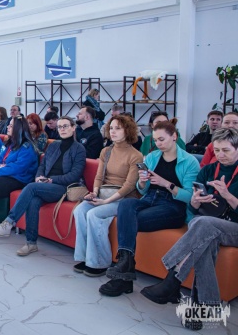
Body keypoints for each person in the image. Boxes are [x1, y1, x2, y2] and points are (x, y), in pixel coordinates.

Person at [141, 128, 238, 331]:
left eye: (226, 150)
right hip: (210, 225)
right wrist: (195, 200)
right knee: (203, 232)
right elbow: (194, 208)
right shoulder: (208, 170)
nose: (220, 154)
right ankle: (203, 307)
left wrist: (228, 196)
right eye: (217, 150)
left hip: (234, 226)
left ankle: (173, 273)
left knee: (202, 224)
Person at [99, 121, 200, 297]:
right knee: (125, 204)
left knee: (129, 220)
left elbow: (190, 197)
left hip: (173, 206)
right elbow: (143, 190)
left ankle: (124, 273)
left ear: (174, 136)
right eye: (155, 140)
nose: (158, 143)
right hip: (150, 198)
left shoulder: (189, 161)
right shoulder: (153, 157)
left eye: (161, 139)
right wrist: (143, 181)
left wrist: (166, 184)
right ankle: (126, 265)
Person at [0, 116, 86, 255]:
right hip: (46, 185)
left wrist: (51, 180)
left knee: (31, 187)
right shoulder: (53, 145)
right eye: (60, 127)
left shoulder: (79, 149)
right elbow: (42, 165)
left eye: (66, 126)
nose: (62, 129)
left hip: (64, 187)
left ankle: (9, 222)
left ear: (73, 128)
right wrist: (39, 177)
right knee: (33, 201)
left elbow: (74, 175)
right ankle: (31, 243)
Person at [73, 115, 143, 277]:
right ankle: (85, 257)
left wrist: (106, 201)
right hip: (104, 193)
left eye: (118, 128)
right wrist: (95, 193)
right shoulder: (106, 151)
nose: (113, 131)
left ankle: (100, 262)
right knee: (79, 210)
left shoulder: (136, 155)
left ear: (128, 130)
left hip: (124, 199)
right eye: (111, 128)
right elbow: (99, 177)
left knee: (94, 214)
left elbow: (129, 186)